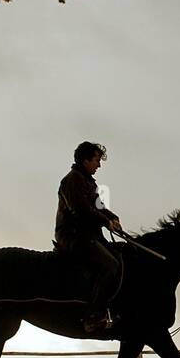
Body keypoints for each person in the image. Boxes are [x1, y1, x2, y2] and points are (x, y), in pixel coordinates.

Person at [55, 141, 123, 333]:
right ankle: (92, 316)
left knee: (120, 257)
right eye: (96, 160)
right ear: (85, 160)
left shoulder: (87, 181)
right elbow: (80, 210)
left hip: (89, 236)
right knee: (111, 265)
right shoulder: (71, 180)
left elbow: (99, 207)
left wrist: (113, 218)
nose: (99, 165)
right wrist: (106, 222)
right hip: (73, 237)